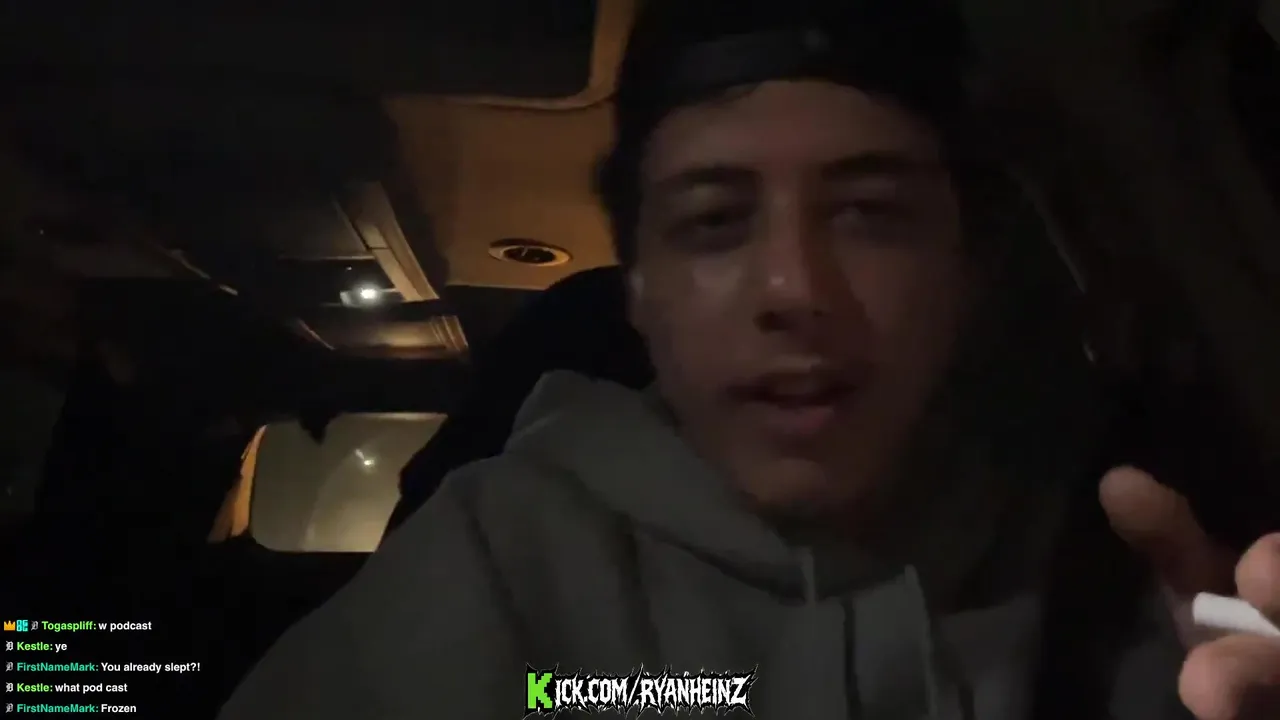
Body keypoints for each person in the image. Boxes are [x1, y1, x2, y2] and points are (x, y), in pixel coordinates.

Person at [216, 2, 1280, 719]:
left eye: (870, 214)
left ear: (964, 271)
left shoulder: (1135, 569)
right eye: (715, 223)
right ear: (638, 290)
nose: (794, 290)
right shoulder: (494, 568)